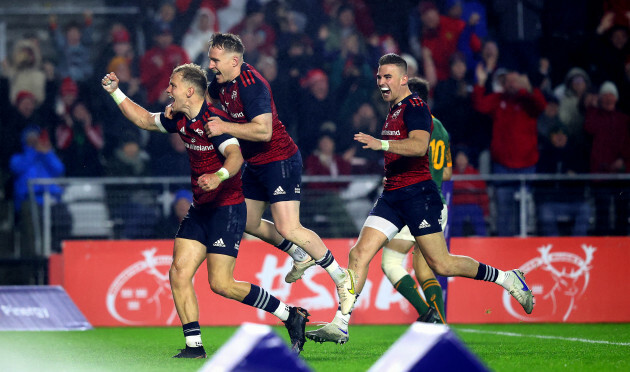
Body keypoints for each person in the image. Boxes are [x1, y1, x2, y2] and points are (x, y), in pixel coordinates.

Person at [100, 63, 309, 357]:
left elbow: (235, 156)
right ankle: (194, 346)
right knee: (178, 272)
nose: (167, 90)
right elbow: (146, 120)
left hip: (228, 208)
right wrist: (115, 92)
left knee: (221, 284)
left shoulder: (215, 121)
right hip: (201, 209)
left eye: (172, 85)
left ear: (189, 90)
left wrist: (218, 176)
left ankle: (289, 314)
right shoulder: (181, 118)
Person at [331, 53, 534, 329]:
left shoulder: (415, 107)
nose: (381, 82)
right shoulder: (394, 110)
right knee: (359, 254)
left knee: (440, 265)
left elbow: (418, 147)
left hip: (419, 196)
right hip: (393, 195)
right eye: (379, 77)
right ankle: (340, 324)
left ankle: (506, 278)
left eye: (387, 76)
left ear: (404, 80)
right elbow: (446, 170)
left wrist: (383, 145)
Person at [203, 33, 352, 306]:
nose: (211, 65)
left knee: (289, 227)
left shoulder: (252, 84)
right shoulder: (221, 83)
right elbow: (206, 100)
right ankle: (299, 255)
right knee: (247, 221)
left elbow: (264, 130)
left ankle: (341, 277)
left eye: (215, 60)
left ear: (234, 61)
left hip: (279, 160)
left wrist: (223, 126)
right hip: (256, 164)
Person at [306, 76, 452, 344]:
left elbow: (412, 153)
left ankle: (433, 320)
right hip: (435, 199)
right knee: (427, 268)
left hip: (417, 199)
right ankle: (437, 323)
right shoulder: (441, 128)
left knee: (397, 263)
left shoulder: (417, 124)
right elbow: (449, 170)